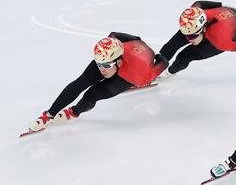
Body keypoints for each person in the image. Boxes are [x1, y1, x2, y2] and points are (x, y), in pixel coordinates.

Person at [25, 33, 168, 134]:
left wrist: (157, 55)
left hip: (128, 74)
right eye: (99, 64)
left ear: (118, 62)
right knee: (81, 82)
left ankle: (74, 112)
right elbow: (115, 35)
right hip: (122, 54)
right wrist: (50, 115)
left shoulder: (139, 74)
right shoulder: (106, 53)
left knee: (92, 94)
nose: (101, 70)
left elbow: (164, 63)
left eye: (105, 66)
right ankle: (49, 115)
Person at [158, 0, 236, 76]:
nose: (189, 39)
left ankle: (168, 73)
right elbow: (199, 3)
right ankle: (156, 67)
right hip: (214, 19)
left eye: (191, 36)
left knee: (184, 56)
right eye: (186, 34)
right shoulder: (193, 14)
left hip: (218, 38)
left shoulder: (222, 40)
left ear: (203, 29)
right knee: (173, 43)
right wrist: (219, 5)